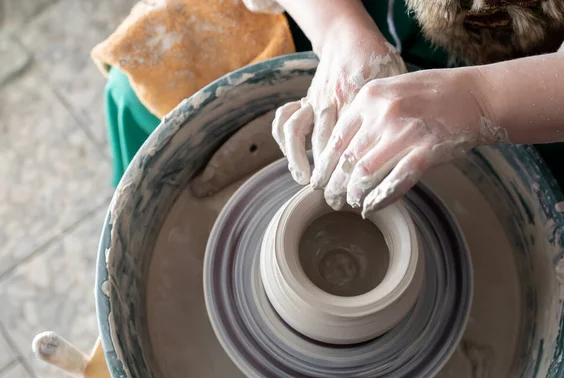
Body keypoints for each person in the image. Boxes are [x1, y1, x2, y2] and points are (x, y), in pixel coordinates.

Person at [93, 0, 564, 216]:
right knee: (137, 88)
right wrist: (338, 28)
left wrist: (480, 100)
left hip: (535, 76)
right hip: (369, 9)